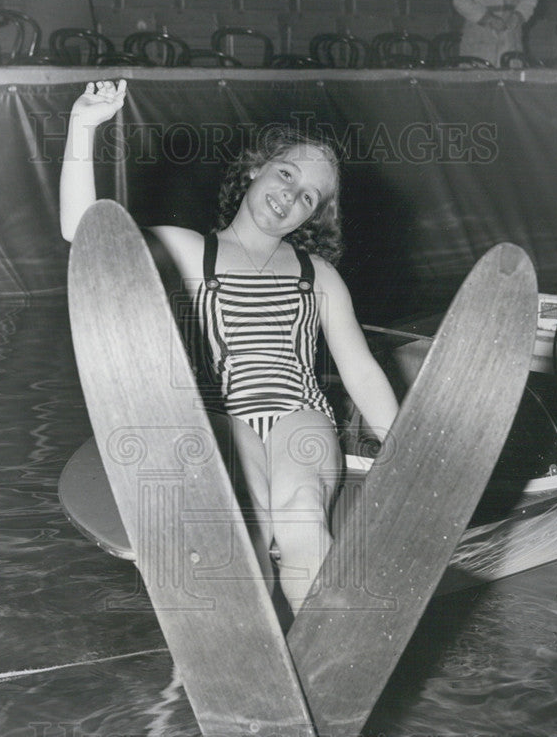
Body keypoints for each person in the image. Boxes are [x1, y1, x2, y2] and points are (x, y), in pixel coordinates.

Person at [60, 79, 399, 615]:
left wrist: (409, 454)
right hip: (224, 420)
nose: (291, 194)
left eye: (308, 195)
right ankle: (249, 637)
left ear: (314, 215)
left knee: (302, 512)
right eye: (286, 173)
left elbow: (360, 373)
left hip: (298, 413)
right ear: (254, 170)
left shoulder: (320, 276)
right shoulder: (192, 252)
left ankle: (330, 645)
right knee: (249, 528)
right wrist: (82, 128)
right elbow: (86, 237)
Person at [452, 0, 537, 67]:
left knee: (511, 77)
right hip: (480, 36)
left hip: (511, 37)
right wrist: (488, 19)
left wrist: (518, 16)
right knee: (479, 76)